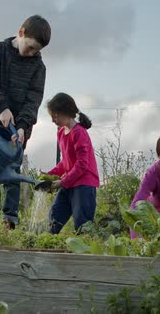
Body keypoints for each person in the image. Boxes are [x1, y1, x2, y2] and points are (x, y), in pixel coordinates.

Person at [0, 15, 51, 230]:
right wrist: (3, 107)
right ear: (21, 33)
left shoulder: (39, 68)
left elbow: (33, 100)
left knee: (13, 171)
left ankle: (9, 222)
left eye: (36, 51)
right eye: (29, 48)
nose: (31, 53)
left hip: (20, 127)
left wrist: (22, 126)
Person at [43, 93, 100, 234]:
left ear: (66, 112)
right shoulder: (61, 133)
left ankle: (84, 253)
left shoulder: (79, 133)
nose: (53, 120)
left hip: (84, 184)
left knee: (83, 226)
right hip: (70, 182)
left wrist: (62, 182)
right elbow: (65, 161)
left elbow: (82, 165)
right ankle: (46, 249)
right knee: (54, 218)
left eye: (55, 116)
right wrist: (49, 175)